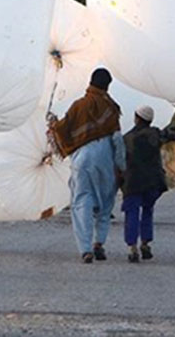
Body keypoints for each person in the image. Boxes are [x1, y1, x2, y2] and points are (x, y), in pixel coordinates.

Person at [49, 68, 126, 263]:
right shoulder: (111, 107)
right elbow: (117, 138)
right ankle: (99, 243)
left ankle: (85, 249)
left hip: (82, 159)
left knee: (82, 201)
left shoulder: (79, 106)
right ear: (108, 85)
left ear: (90, 82)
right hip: (106, 159)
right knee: (105, 202)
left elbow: (62, 129)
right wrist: (121, 167)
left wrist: (53, 124)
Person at [120, 103, 175, 263]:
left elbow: (118, 160)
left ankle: (132, 247)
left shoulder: (127, 138)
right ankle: (145, 243)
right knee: (148, 210)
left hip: (132, 182)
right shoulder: (155, 134)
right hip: (152, 182)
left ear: (136, 118)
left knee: (132, 212)